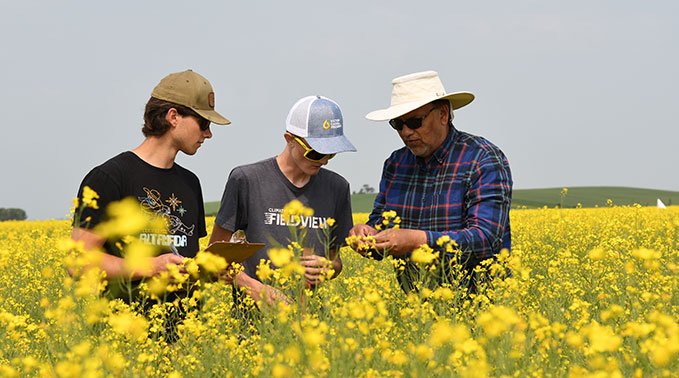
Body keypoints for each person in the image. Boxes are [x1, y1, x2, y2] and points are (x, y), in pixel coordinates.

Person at [71, 69, 231, 303]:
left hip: (189, 333)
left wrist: (209, 269)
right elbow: (78, 263)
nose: (208, 134)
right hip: (126, 332)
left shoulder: (190, 182)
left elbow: (187, 254)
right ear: (173, 116)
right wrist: (150, 266)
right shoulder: (108, 178)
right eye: (203, 123)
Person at [348, 70, 512, 293]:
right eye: (397, 124)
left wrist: (419, 240)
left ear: (443, 114)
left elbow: (486, 239)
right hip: (417, 310)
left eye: (415, 122)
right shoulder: (396, 164)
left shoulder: (482, 159)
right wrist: (367, 234)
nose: (406, 132)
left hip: (481, 310)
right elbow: (382, 223)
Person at [210, 95, 356, 306]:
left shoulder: (338, 188)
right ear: (289, 139)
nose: (324, 161)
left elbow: (336, 261)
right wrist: (254, 288)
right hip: (252, 323)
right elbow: (214, 256)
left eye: (331, 153)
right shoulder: (247, 180)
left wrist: (328, 268)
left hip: (310, 323)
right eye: (316, 153)